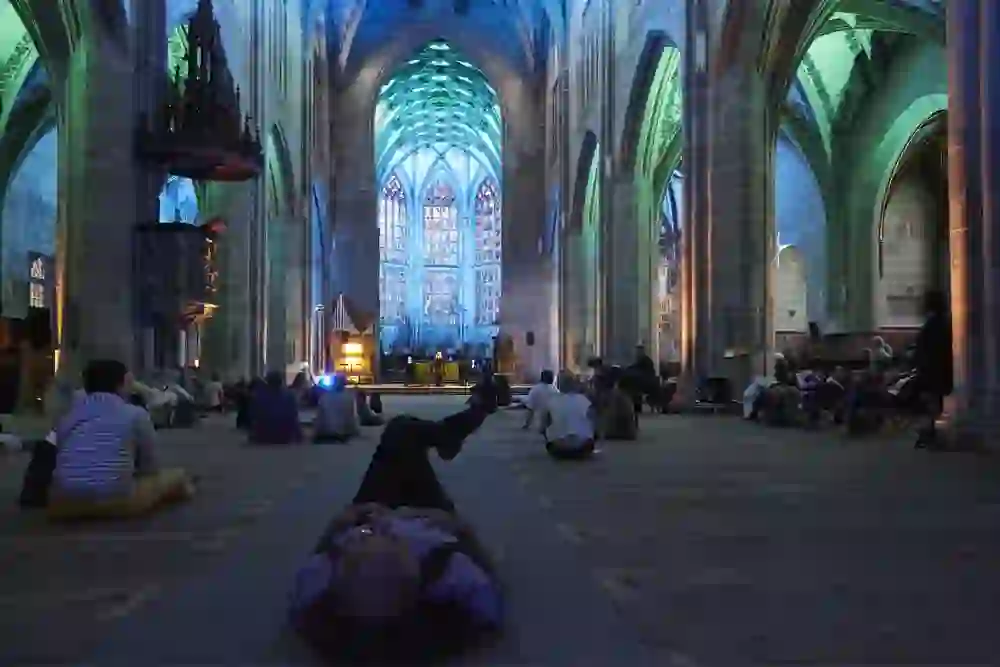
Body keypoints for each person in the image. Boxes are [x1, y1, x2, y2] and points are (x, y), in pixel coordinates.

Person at [288, 384, 502, 663]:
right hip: (427, 515)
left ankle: (447, 435)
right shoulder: (447, 574)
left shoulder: (321, 587)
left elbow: (319, 553)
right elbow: (489, 576)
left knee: (399, 433)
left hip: (369, 509)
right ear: (414, 577)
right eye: (390, 547)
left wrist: (346, 522)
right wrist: (453, 525)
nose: (382, 536)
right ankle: (449, 434)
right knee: (402, 432)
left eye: (364, 546)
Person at [46, 359, 196, 520]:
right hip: (116, 498)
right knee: (176, 477)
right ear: (123, 384)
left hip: (62, 502)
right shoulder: (135, 414)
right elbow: (150, 468)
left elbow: (60, 453)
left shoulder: (68, 417)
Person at [913, 289, 952, 449]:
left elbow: (926, 348)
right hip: (939, 369)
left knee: (931, 403)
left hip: (932, 370)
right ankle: (931, 433)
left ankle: (932, 434)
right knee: (934, 402)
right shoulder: (943, 322)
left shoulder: (933, 324)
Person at [538, 372, 596, 460]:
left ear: (558, 385)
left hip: (560, 446)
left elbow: (542, 428)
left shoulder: (551, 401)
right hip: (584, 446)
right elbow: (594, 423)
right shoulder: (585, 400)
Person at [248, 371, 303, 445]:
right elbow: (293, 417)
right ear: (281, 382)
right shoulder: (290, 396)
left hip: (264, 435)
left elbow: (253, 416)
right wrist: (299, 436)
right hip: (285, 435)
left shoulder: (259, 397)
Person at [313, 373, 359, 443]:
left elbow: (319, 419)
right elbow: (351, 420)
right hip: (342, 435)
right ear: (344, 384)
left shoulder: (324, 397)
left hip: (325, 434)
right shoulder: (349, 398)